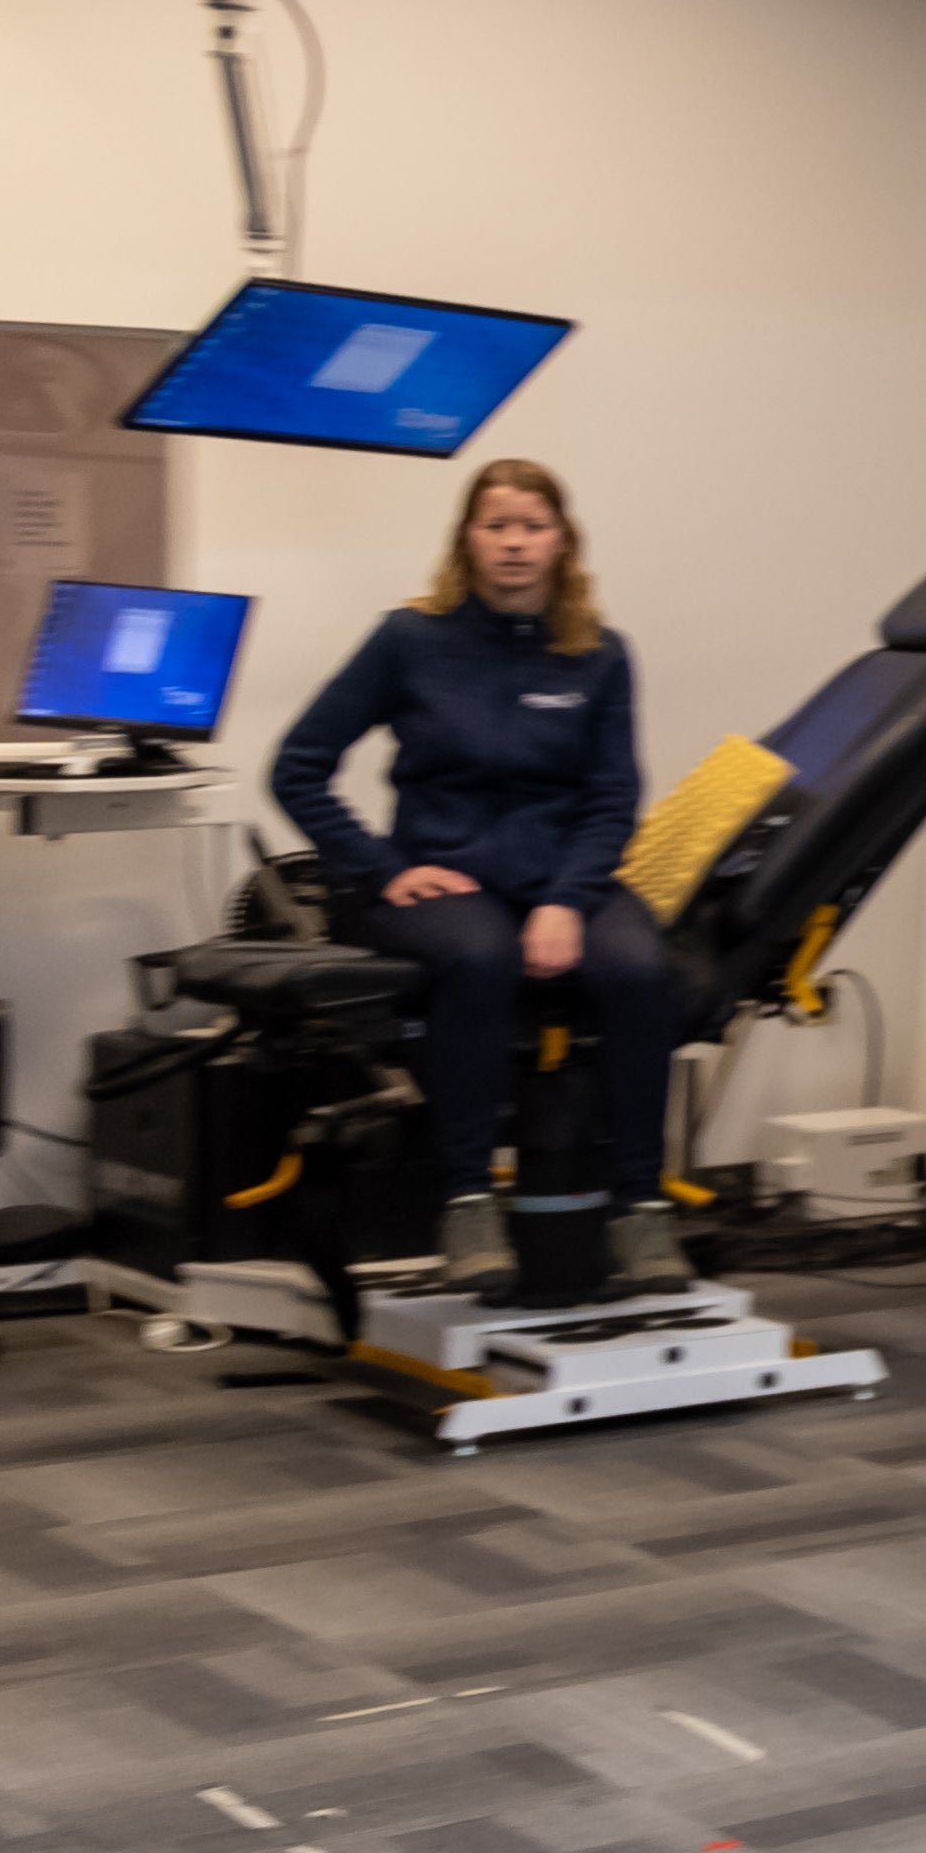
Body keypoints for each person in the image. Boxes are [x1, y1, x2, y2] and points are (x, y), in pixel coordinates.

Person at [269, 456, 684, 1295]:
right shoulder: (410, 638)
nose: (515, 544)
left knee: (642, 971)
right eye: (497, 525)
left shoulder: (599, 655)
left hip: (564, 873)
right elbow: (298, 767)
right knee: (481, 958)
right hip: (444, 876)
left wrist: (567, 900)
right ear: (468, 537)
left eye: (533, 526)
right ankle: (464, 1201)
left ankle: (641, 1209)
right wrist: (382, 867)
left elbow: (613, 798)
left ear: (563, 541)